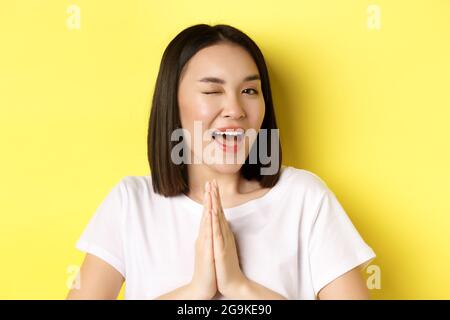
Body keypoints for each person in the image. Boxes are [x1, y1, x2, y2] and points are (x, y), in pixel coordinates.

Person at [67, 24, 375, 300]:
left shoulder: (305, 198)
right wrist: (194, 292)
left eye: (249, 90)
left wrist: (241, 287)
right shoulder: (131, 204)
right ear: (172, 104)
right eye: (212, 90)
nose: (235, 109)